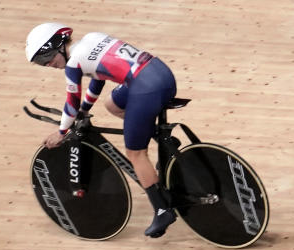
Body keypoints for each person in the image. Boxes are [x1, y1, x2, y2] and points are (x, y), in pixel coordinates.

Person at [25, 22, 179, 238]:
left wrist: (61, 132)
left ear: (58, 45)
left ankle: (163, 210)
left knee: (135, 153)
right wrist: (85, 110)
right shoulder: (92, 38)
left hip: (145, 88)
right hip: (159, 72)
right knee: (112, 105)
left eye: (46, 58)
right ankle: (160, 138)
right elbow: (98, 80)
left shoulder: (73, 64)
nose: (48, 64)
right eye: (42, 63)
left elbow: (71, 102)